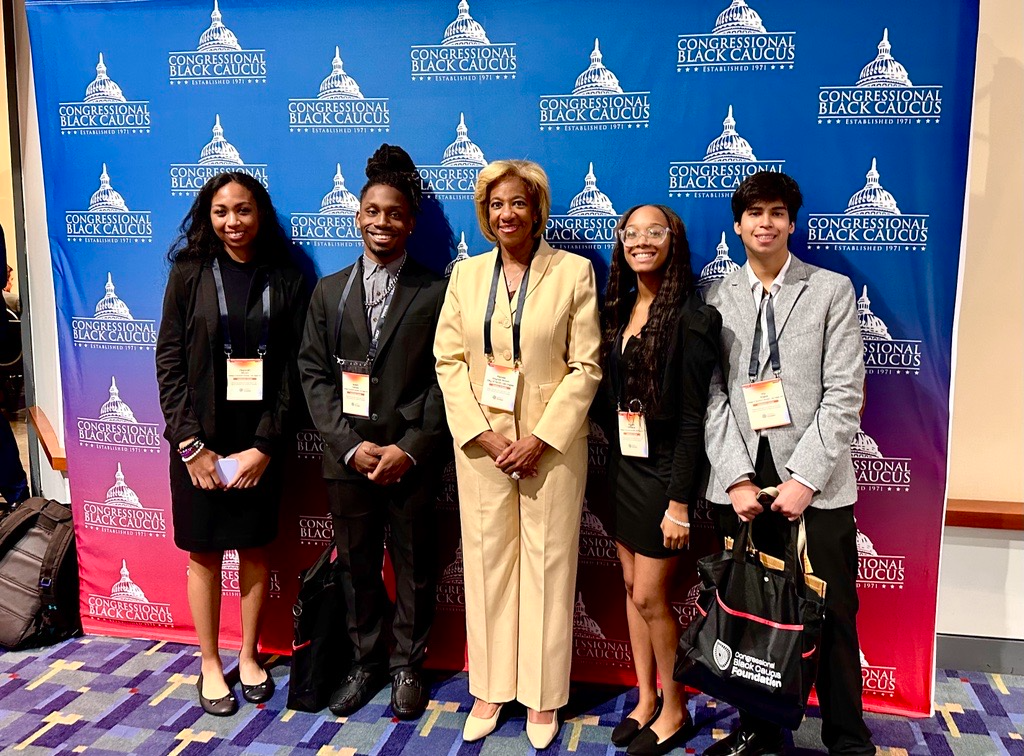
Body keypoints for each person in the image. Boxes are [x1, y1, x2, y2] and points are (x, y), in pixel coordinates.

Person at [702, 171, 875, 756]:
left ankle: (847, 737)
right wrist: (735, 478)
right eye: (754, 214)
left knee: (834, 616)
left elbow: (844, 394)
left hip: (817, 488)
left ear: (792, 223)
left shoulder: (830, 290)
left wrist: (804, 479)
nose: (766, 223)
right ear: (738, 224)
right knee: (751, 612)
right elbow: (712, 397)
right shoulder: (716, 297)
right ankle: (760, 730)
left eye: (777, 213)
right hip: (746, 485)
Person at [433, 159, 602, 750]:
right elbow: (449, 362)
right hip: (481, 449)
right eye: (497, 204)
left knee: (549, 568)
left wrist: (541, 437)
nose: (508, 214)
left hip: (550, 451)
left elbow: (586, 366)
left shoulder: (573, 272)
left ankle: (541, 695)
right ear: (485, 213)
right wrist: (481, 433)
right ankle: (489, 687)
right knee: (486, 567)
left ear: (538, 210)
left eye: (519, 204)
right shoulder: (466, 275)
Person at [297, 144, 449, 721]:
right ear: (358, 216)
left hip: (410, 459)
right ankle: (367, 663)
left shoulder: (435, 291)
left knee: (414, 567)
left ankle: (409, 664)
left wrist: (409, 449)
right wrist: (350, 445)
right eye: (373, 211)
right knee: (357, 568)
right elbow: (312, 373)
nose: (382, 222)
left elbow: (448, 378)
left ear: (410, 222)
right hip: (348, 459)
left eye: (395, 213)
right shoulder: (330, 291)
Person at [155, 172, 306, 716]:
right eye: (221, 212)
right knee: (204, 551)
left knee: (254, 548)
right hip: (201, 444)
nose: (232, 222)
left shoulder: (287, 277)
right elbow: (168, 360)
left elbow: (296, 369)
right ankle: (210, 663)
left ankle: (247, 656)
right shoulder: (189, 273)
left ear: (259, 213)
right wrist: (191, 447)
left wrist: (265, 447)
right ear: (208, 216)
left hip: (259, 441)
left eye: (242, 210)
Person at [593, 205, 720, 755]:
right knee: (629, 588)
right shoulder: (617, 309)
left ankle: (675, 708)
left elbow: (695, 419)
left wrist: (679, 503)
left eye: (654, 232)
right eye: (631, 233)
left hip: (665, 473)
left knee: (651, 596)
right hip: (623, 465)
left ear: (673, 241)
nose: (641, 241)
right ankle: (645, 699)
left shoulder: (694, 319)